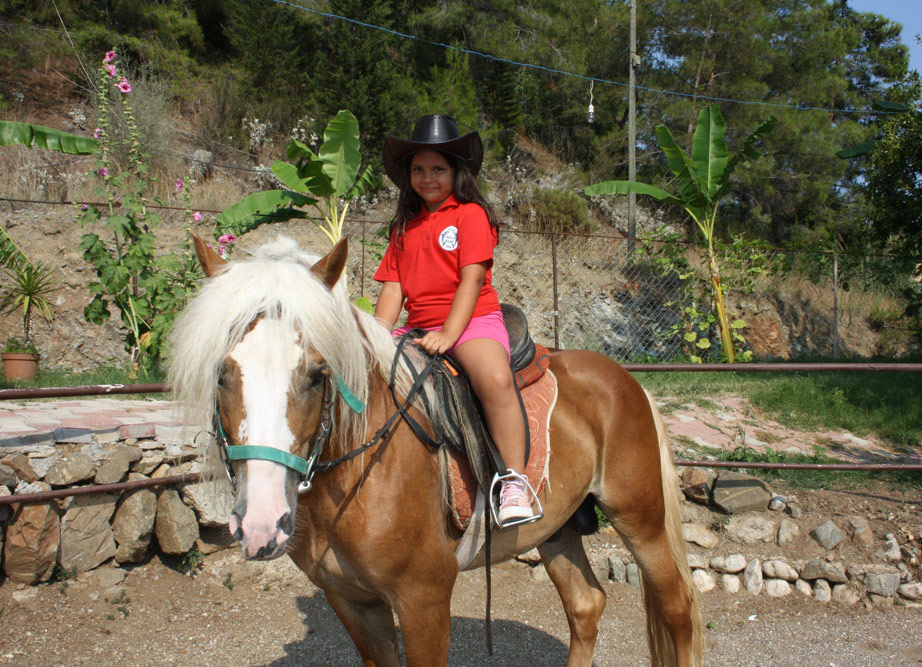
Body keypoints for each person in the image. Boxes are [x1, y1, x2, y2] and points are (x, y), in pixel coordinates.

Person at [373, 114, 538, 528]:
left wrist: (449, 333)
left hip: (471, 321)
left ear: (457, 172)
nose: (428, 178)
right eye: (418, 169)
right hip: (417, 327)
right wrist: (375, 335)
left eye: (438, 169)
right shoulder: (403, 229)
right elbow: (393, 289)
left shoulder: (470, 215)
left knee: (494, 379)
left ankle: (514, 481)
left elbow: (473, 278)